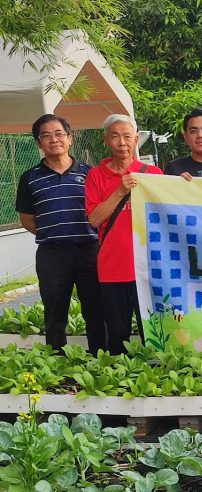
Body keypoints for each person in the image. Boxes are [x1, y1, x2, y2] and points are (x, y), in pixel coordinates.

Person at [15, 114, 106, 353]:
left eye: (59, 134)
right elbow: (26, 219)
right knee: (55, 311)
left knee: (95, 308)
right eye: (46, 135)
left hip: (90, 250)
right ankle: (56, 359)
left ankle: (101, 356)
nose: (53, 140)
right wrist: (54, 233)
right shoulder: (30, 178)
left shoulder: (90, 173)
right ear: (38, 143)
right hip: (52, 255)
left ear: (70, 138)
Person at [85, 114, 164, 355]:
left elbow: (170, 212)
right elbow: (94, 219)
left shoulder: (153, 173)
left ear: (136, 140)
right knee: (117, 335)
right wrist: (120, 190)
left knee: (153, 333)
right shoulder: (95, 176)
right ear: (106, 140)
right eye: (115, 136)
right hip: (112, 269)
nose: (122, 142)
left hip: (148, 269)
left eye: (127, 136)